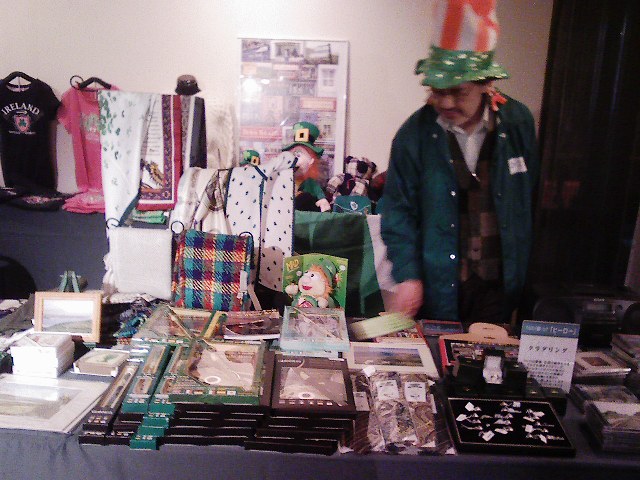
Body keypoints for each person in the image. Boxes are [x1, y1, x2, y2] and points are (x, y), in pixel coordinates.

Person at [381, 0, 539, 324]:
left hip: (499, 285)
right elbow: (397, 213)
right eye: (437, 91)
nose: (446, 102)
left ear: (486, 84)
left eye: (459, 91)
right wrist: (408, 275)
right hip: (439, 286)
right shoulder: (413, 136)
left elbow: (531, 198)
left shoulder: (518, 122)